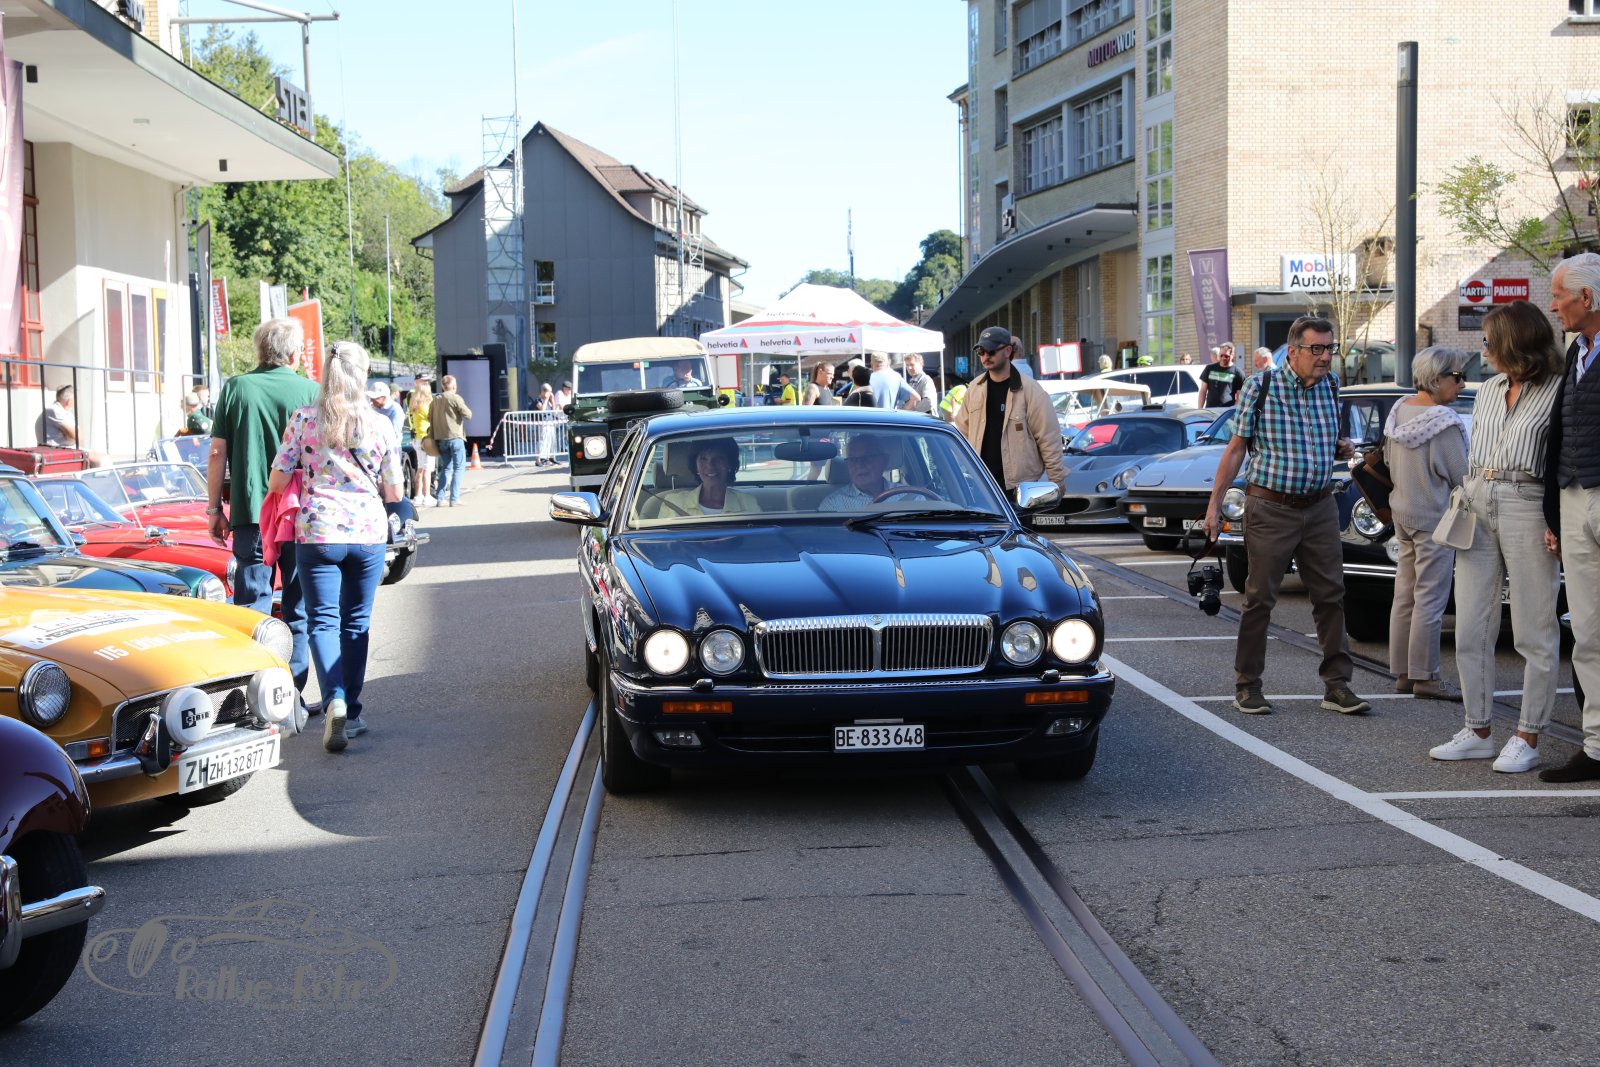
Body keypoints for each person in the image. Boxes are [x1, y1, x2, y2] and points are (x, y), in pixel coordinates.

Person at [1202, 315, 1371, 717]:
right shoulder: (1260, 386)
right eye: (1317, 349)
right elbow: (1236, 449)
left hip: (1320, 506)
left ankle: (1337, 686)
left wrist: (1343, 446)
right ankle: (1247, 686)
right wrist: (1214, 506)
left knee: (1331, 595)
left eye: (1330, 348)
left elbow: (1324, 441)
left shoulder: (1331, 385)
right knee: (1260, 598)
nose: (1325, 356)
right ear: (1293, 351)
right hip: (1271, 507)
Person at [1425, 302, 1564, 773]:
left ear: (1513, 343)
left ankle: (1528, 735)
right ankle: (1478, 729)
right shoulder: (1488, 391)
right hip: (1477, 500)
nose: (1482, 350)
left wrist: (1558, 519)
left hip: (1529, 501)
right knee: (1470, 625)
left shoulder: (1558, 388)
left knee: (1533, 628)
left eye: (1489, 341)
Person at [267, 341, 403, 752]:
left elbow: (277, 479)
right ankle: (353, 713)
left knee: (322, 621)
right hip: (367, 533)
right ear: (363, 375)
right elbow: (394, 491)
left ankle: (334, 700)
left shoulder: (304, 418)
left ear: (326, 374)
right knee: (356, 622)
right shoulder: (381, 423)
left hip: (318, 532)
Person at [207, 318, 320, 703]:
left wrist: (214, 508)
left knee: (251, 611)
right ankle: (293, 695)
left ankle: (254, 699)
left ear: (260, 350)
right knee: (298, 608)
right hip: (300, 515)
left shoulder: (236, 388)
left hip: (252, 514)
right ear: (294, 353)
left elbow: (217, 454)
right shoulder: (311, 390)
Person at [1542, 252, 1600, 781]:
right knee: (1587, 631)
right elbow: (1561, 433)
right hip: (1575, 497)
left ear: (1587, 297)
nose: (1553, 305)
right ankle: (1598, 746)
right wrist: (1553, 513)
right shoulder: (1576, 351)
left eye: (1559, 295)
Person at [1383, 346, 1470, 702]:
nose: (1462, 384)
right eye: (1457, 377)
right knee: (1430, 599)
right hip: (1434, 517)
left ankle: (1404, 672)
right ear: (1436, 379)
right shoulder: (1443, 422)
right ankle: (1426, 676)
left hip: (1402, 513)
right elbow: (1462, 475)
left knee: (1405, 594)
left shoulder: (1398, 411)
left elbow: (1387, 459)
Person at [952, 325, 1067, 497]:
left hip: (1021, 489)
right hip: (981, 486)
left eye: (991, 351)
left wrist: (1056, 481)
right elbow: (962, 433)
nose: (985, 356)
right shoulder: (974, 388)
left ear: (1007, 351)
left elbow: (1049, 439)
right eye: (981, 352)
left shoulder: (1031, 390)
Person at [656, 437, 759, 516]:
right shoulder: (673, 503)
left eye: (718, 459)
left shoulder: (747, 503)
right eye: (703, 459)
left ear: (730, 464)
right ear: (695, 465)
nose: (710, 465)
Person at [428, 374, 472, 506]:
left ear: (442, 386)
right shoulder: (455, 398)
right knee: (459, 467)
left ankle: (440, 498)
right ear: (454, 386)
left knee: (446, 468)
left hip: (441, 438)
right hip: (455, 437)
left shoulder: (435, 400)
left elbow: (429, 417)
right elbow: (468, 415)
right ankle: (454, 498)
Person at [820, 434, 893, 510]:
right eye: (853, 460)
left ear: (884, 460)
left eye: (867, 457)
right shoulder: (833, 504)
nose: (859, 465)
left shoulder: (901, 494)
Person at [407, 379, 436, 506]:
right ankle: (427, 496)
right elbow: (432, 419)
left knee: (420, 468)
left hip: (417, 438)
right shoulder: (425, 407)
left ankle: (418, 496)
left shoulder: (414, 405)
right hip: (427, 439)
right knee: (428, 469)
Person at [1199, 342, 1245, 408]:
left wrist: (1234, 411)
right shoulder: (1209, 369)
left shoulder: (1238, 373)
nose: (1223, 358)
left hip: (1226, 411)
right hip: (1210, 410)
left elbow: (1240, 396)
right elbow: (1203, 391)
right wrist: (1200, 409)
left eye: (1226, 356)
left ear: (1232, 355)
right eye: (1221, 355)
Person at [532, 382, 560, 466]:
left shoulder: (548, 401)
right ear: (543, 391)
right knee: (542, 441)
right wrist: (547, 399)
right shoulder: (538, 400)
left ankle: (549, 458)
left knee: (551, 441)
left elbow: (553, 411)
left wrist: (552, 400)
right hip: (543, 424)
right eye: (549, 392)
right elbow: (542, 410)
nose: (550, 393)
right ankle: (538, 459)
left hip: (550, 423)